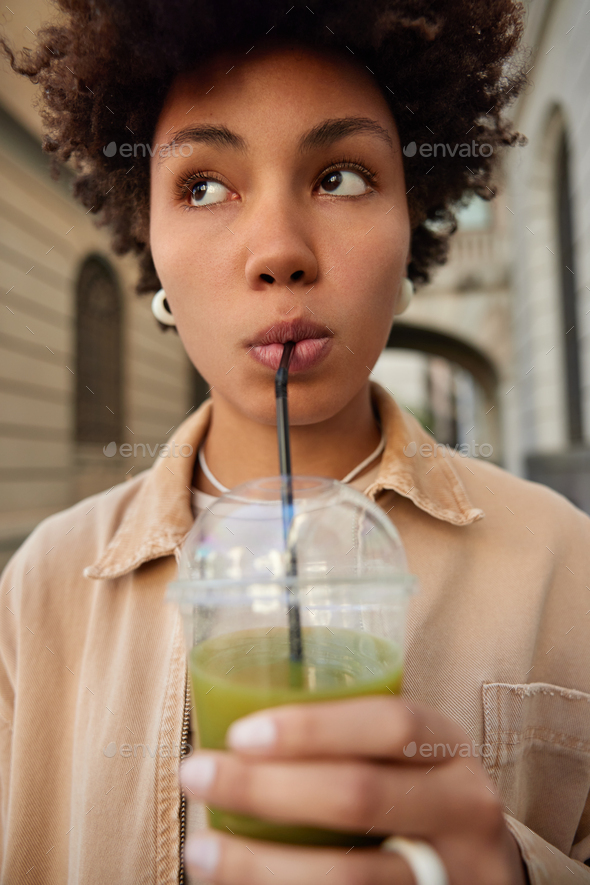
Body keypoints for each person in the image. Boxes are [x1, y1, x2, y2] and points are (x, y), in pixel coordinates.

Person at [1, 2, 589, 883]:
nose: (279, 252)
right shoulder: (38, 592)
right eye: (203, 186)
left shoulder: (569, 566)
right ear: (148, 238)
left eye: (344, 177)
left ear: (413, 224)